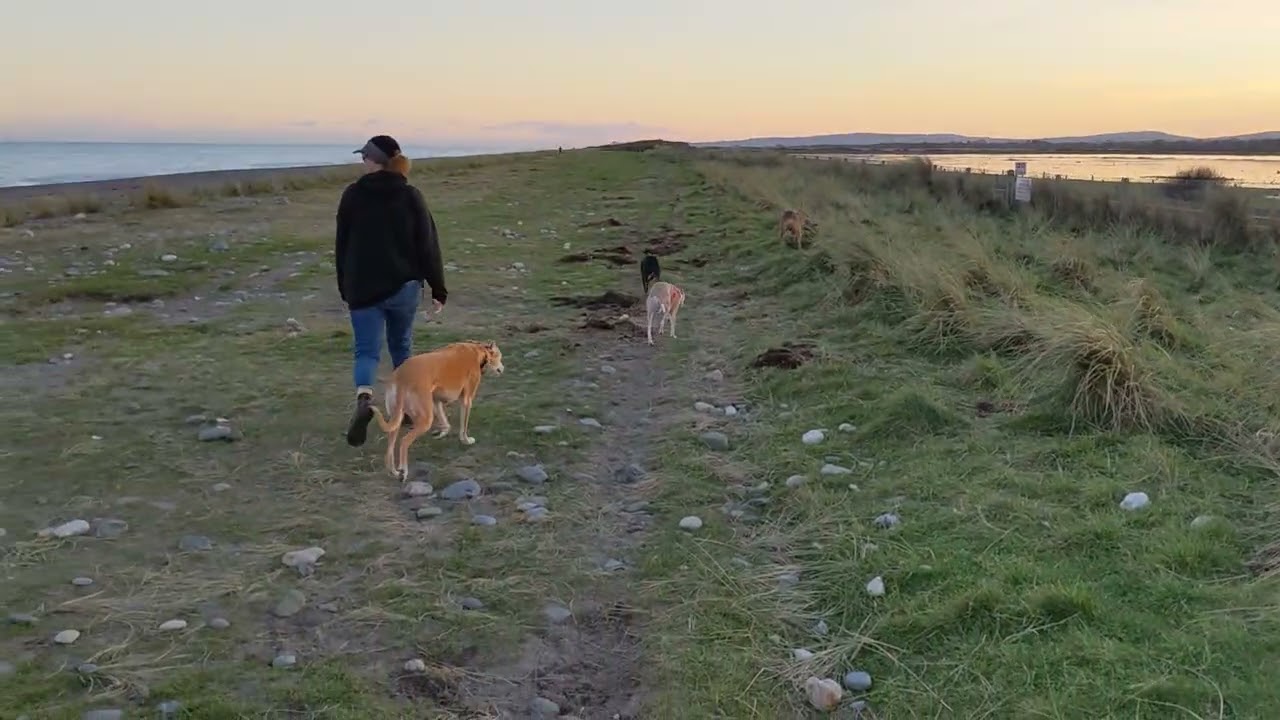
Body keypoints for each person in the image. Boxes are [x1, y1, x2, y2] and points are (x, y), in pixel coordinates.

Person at [336, 134, 447, 447]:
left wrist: (345, 286)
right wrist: (438, 287)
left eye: (364, 157)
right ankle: (406, 407)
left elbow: (342, 245)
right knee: (401, 345)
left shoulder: (352, 195)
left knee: (366, 350)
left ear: (375, 161)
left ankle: (364, 398)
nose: (361, 162)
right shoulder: (410, 195)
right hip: (403, 287)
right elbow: (428, 245)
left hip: (363, 288)